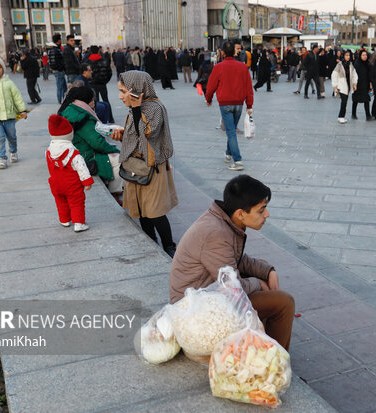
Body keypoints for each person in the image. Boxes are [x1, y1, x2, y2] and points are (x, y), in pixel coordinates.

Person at [170, 175, 295, 351]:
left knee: (260, 270)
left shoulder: (224, 220)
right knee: (284, 303)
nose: (267, 215)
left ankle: (259, 343)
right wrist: (259, 283)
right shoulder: (216, 233)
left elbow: (236, 258)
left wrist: (268, 271)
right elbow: (231, 286)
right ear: (241, 214)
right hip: (193, 308)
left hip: (208, 292)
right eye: (261, 210)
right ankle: (275, 362)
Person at [114, 71, 178, 257]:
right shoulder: (136, 108)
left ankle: (169, 247)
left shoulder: (154, 108)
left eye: (123, 91)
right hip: (135, 166)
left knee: (155, 212)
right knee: (141, 211)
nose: (120, 96)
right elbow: (135, 139)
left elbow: (147, 136)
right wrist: (120, 136)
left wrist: (135, 108)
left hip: (152, 168)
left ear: (136, 89)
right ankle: (152, 244)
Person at [58, 86, 122, 201]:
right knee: (119, 159)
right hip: (84, 158)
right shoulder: (81, 117)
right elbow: (97, 143)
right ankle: (114, 192)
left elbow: (98, 129)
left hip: (71, 156)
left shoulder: (71, 109)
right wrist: (115, 151)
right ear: (84, 100)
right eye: (92, 99)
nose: (94, 102)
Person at [205, 41, 254, 172]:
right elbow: (249, 87)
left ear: (222, 52)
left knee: (231, 132)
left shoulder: (218, 67)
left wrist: (208, 99)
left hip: (225, 104)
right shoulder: (243, 67)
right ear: (234, 51)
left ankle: (237, 161)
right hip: (239, 104)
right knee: (231, 130)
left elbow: (210, 87)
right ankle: (228, 153)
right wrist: (249, 105)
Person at [46, 114, 94, 232]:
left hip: (56, 183)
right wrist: (87, 182)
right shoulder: (73, 153)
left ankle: (64, 220)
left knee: (61, 202)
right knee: (76, 203)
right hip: (72, 185)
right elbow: (81, 168)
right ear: (69, 135)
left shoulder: (48, 151)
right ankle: (79, 223)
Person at [331, 50, 358, 124]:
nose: (348, 57)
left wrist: (354, 84)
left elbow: (354, 74)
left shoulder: (351, 65)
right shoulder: (339, 65)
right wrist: (335, 87)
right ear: (343, 56)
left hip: (348, 86)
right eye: (346, 55)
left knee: (345, 102)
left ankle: (342, 116)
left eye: (349, 55)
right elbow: (334, 75)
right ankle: (341, 117)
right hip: (341, 86)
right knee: (344, 101)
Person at [85, 45, 113, 110]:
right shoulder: (104, 61)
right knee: (105, 100)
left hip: (92, 84)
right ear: (98, 51)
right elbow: (109, 73)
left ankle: (97, 117)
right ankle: (110, 118)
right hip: (102, 84)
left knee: (95, 101)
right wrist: (105, 81)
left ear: (91, 52)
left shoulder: (87, 62)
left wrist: (89, 81)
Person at [351, 49, 372, 121]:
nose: (365, 56)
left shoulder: (367, 63)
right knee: (355, 100)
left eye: (366, 55)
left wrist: (370, 83)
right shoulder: (357, 63)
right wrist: (354, 84)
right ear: (360, 56)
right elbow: (353, 75)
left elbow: (370, 74)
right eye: (363, 55)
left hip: (365, 84)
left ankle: (368, 115)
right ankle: (353, 114)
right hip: (358, 84)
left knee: (366, 100)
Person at [48, 34, 67, 103]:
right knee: (60, 86)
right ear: (59, 40)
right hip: (59, 71)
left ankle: (65, 99)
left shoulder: (52, 50)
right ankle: (60, 101)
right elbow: (57, 62)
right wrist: (61, 68)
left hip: (57, 70)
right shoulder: (57, 50)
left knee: (64, 86)